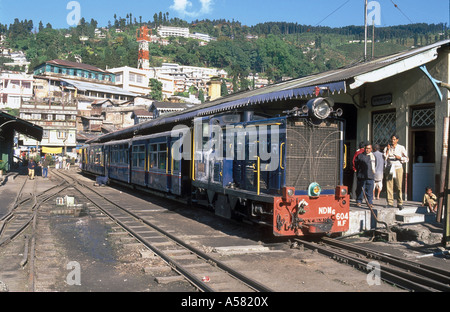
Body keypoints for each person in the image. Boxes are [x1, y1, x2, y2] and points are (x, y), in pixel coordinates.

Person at [383, 134, 409, 209]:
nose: (393, 141)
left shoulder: (401, 148)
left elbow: (407, 159)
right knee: (389, 185)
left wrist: (400, 158)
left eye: (394, 139)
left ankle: (400, 203)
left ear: (397, 140)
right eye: (392, 139)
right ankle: (390, 202)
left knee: (399, 186)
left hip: (398, 167)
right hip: (389, 167)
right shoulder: (387, 147)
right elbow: (385, 157)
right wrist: (388, 149)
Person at [355, 142, 376, 208]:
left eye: (369, 148)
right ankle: (359, 201)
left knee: (369, 190)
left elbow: (376, 164)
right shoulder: (360, 156)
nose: (367, 150)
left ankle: (369, 202)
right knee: (360, 190)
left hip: (370, 175)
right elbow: (356, 164)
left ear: (371, 149)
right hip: (362, 176)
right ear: (364, 149)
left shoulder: (373, 156)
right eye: (366, 148)